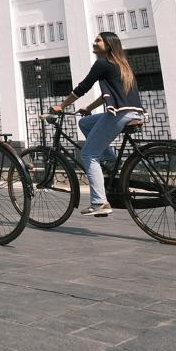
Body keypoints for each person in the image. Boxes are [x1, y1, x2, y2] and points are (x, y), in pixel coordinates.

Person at [51, 31, 145, 217]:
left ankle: (99, 202)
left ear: (109, 45)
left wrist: (61, 105)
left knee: (88, 154)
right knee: (85, 123)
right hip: (133, 112)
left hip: (119, 114)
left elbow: (82, 87)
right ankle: (110, 159)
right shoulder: (121, 64)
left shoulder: (102, 63)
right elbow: (108, 94)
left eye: (99, 40)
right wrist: (89, 108)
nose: (95, 43)